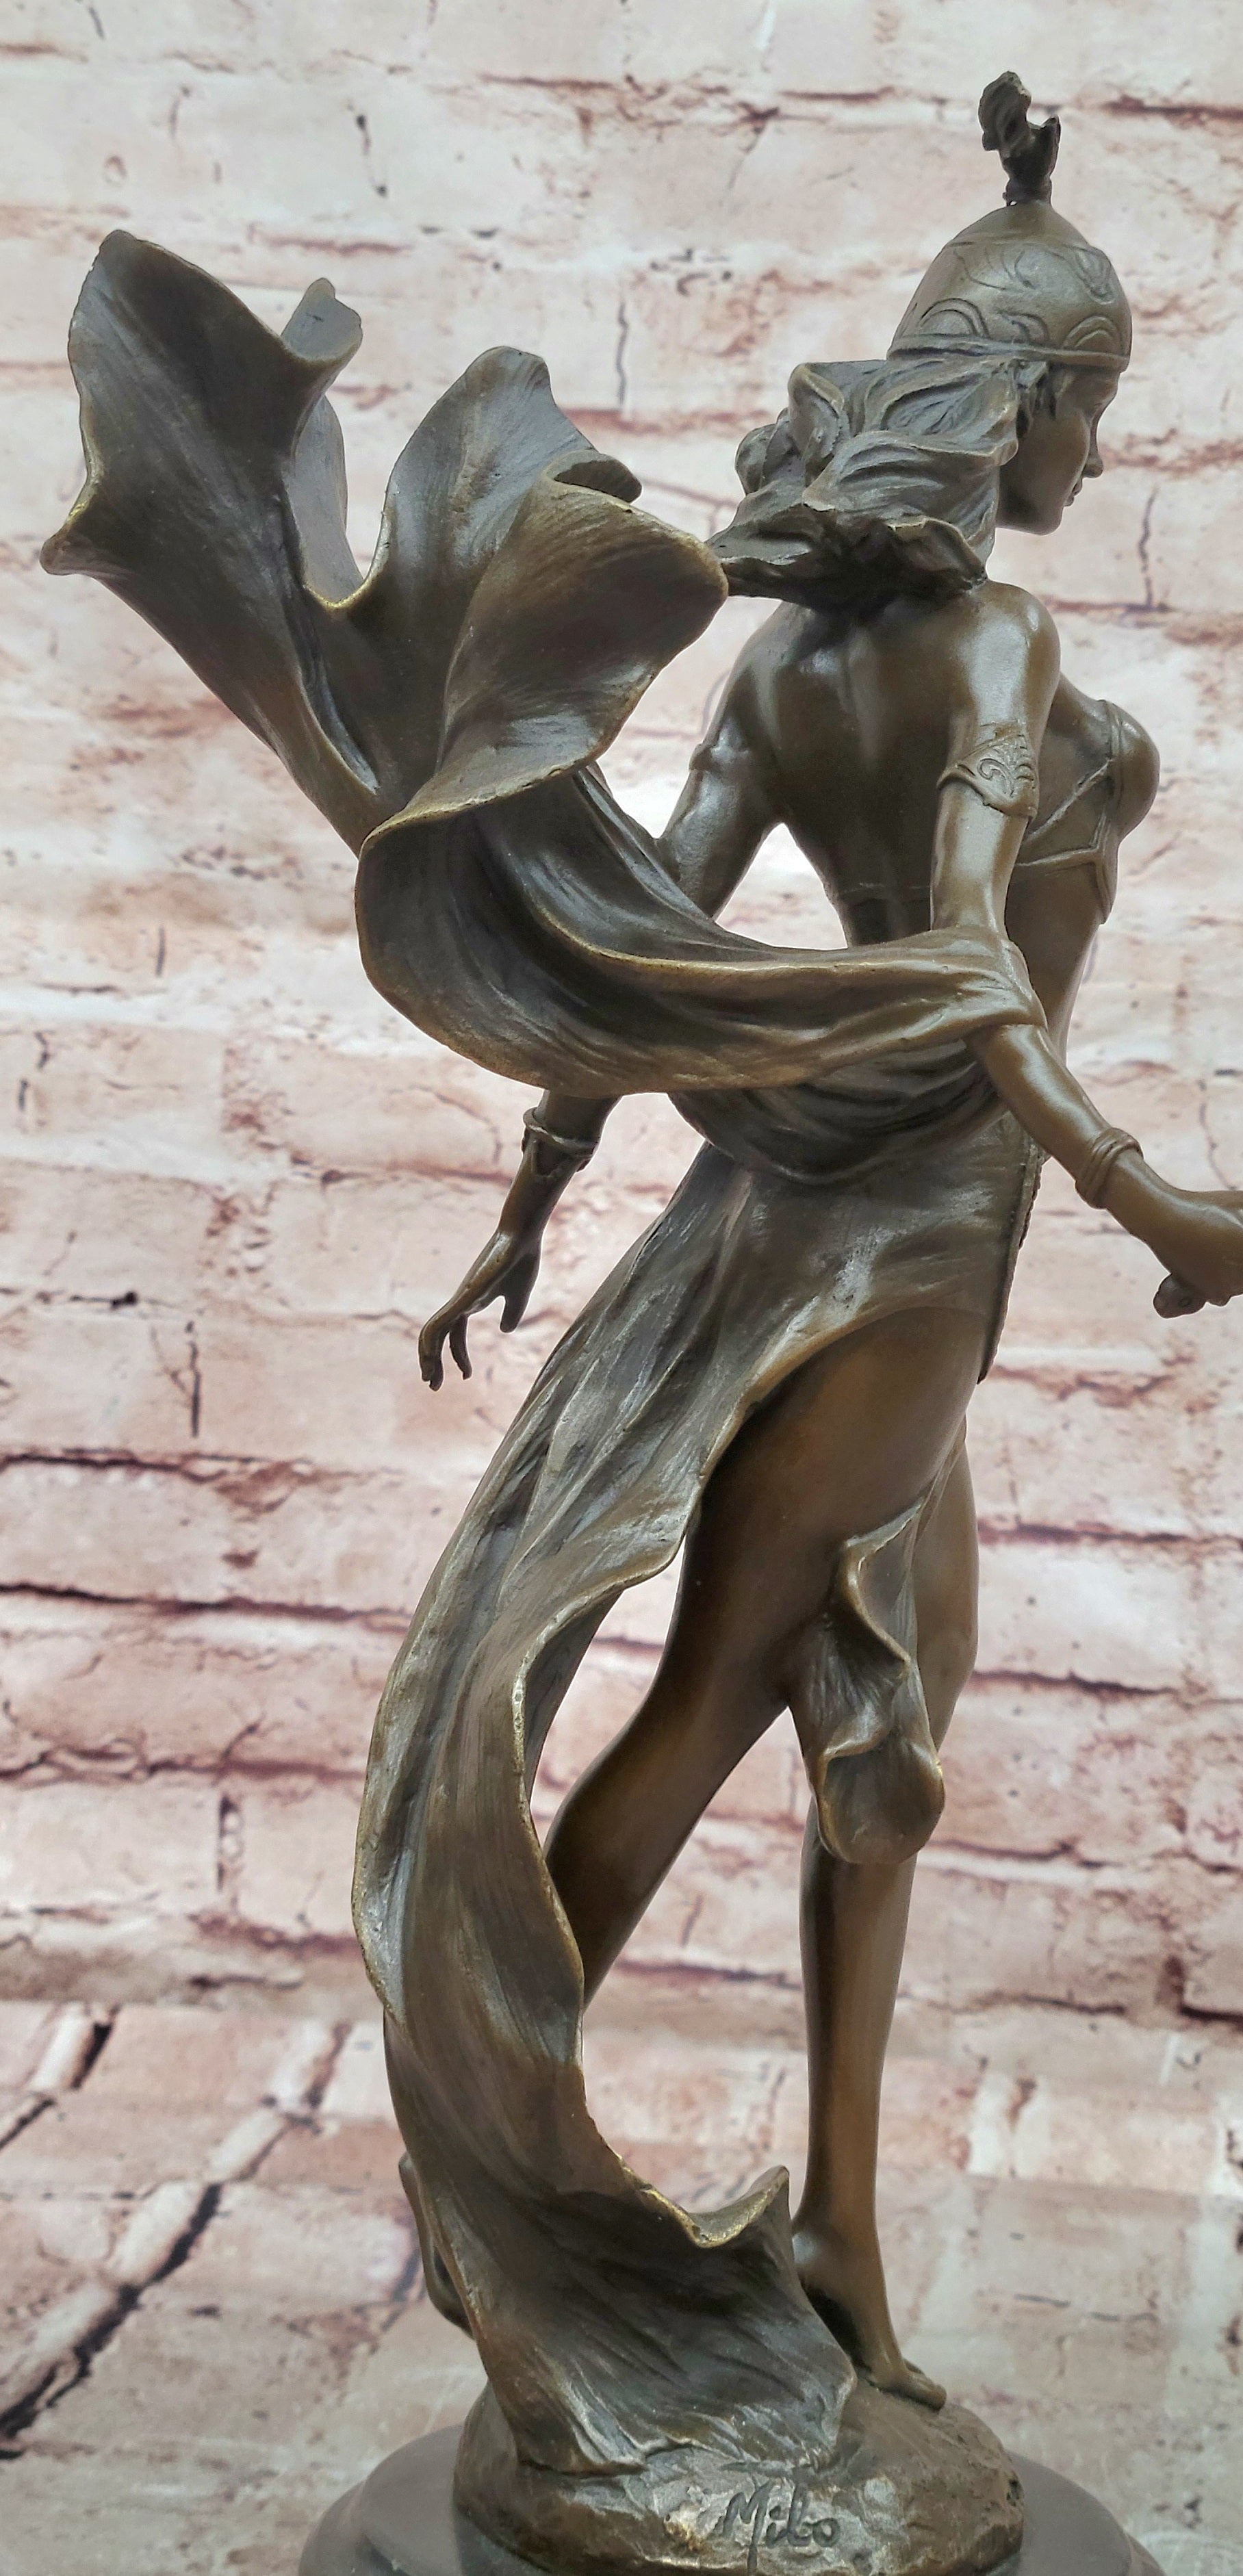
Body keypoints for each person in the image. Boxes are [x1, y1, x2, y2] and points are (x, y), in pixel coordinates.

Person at [43, 69, 1243, 2561]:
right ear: (1019, 400)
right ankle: (491, 2143)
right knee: (717, 1695)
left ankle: (844, 2243)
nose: (1095, 456)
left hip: (786, 1220)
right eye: (1091, 407)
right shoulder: (1002, 646)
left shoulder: (788, 672)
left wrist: (537, 1190)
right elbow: (957, 977)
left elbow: (654, 948)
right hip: (915, 1245)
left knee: (877, 1751)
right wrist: (1159, 1196)